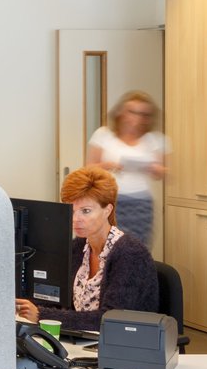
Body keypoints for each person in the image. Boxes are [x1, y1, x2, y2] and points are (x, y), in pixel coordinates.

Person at [14, 165, 158, 334]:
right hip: (85, 341)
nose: (76, 220)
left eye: (86, 211)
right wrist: (24, 305)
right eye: (72, 211)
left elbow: (111, 320)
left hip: (125, 345)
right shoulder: (79, 246)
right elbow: (61, 302)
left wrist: (41, 314)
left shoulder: (130, 254)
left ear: (107, 210)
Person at [87, 91, 167, 246]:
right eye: (132, 111)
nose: (137, 117)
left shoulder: (154, 139)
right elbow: (88, 169)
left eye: (143, 114)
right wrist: (108, 165)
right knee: (106, 248)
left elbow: (163, 172)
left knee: (136, 248)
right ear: (120, 112)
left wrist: (153, 168)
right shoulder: (104, 135)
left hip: (140, 204)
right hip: (108, 201)